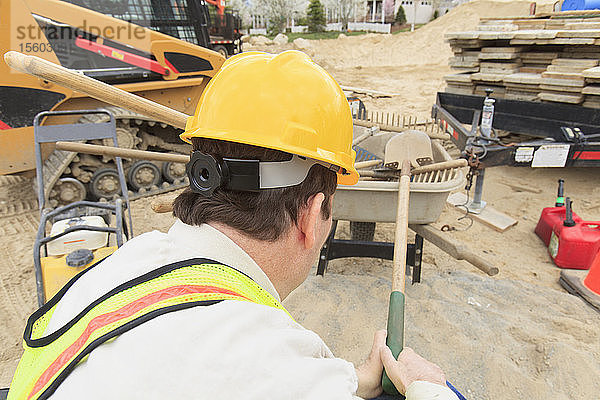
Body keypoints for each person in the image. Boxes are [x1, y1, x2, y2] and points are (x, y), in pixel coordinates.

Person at [8, 51, 459, 400]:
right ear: (310, 214)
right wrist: (430, 387)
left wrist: (350, 379)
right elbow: (258, 372)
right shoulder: (270, 365)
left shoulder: (128, 262)